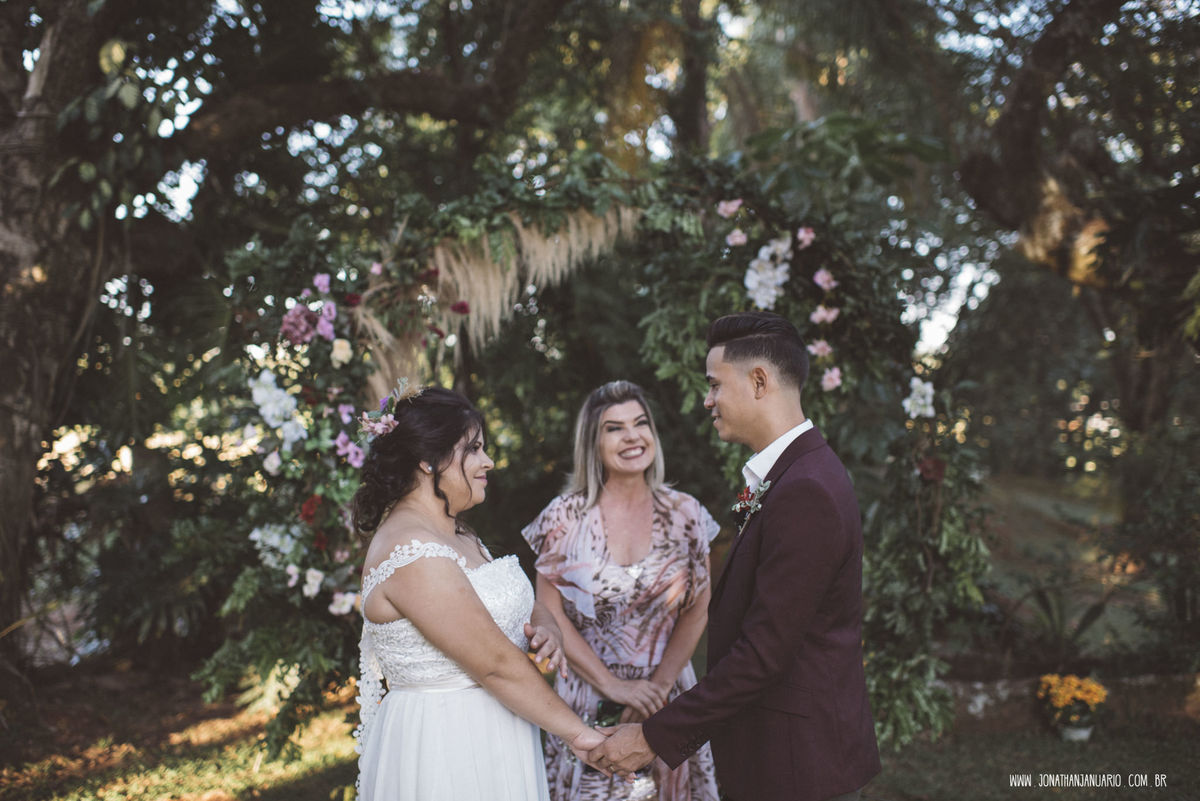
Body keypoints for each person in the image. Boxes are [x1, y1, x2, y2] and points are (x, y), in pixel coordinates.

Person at [589, 312, 881, 801]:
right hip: (787, 750)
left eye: (714, 385)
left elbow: (764, 653)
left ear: (760, 381)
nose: (707, 400)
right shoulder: (801, 473)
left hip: (796, 764)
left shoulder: (804, 489)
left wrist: (652, 736)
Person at [352, 383, 606, 801]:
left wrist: (548, 628)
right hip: (447, 745)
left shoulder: (457, 532)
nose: (488, 461)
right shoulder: (411, 551)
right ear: (427, 461)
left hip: (499, 725)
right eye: (472, 449)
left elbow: (510, 606)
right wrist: (582, 736)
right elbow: (495, 664)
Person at [522, 380, 720, 801]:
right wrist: (613, 686)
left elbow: (697, 608)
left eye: (640, 423)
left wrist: (659, 687)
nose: (632, 436)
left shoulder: (686, 514)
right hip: (588, 701)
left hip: (667, 696)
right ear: (593, 443)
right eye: (614, 428)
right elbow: (549, 611)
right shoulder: (565, 517)